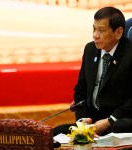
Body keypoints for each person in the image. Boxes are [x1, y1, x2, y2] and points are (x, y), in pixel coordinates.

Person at [53, 6, 132, 136]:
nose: (95, 35)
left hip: (118, 120)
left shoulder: (129, 54)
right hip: (92, 122)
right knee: (56, 133)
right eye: (94, 29)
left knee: (120, 127)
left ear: (118, 32)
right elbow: (80, 90)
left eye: (101, 30)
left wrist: (109, 121)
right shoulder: (90, 49)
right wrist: (82, 121)